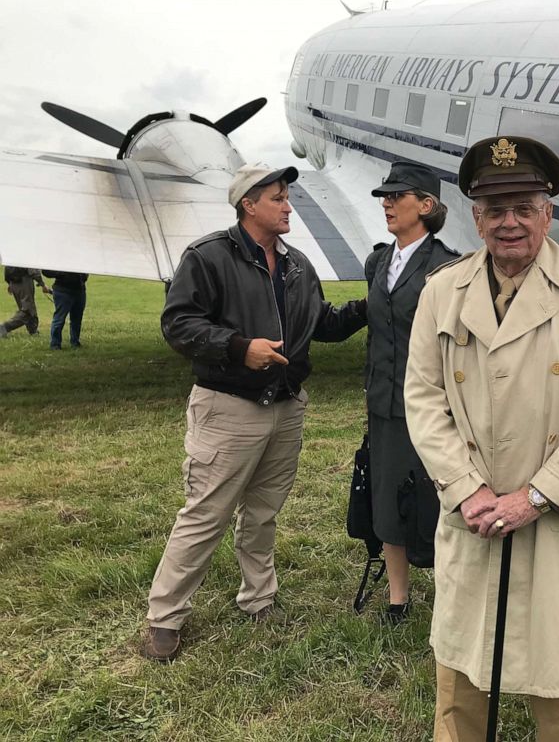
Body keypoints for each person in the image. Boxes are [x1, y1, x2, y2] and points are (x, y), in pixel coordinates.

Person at [405, 137, 559, 741]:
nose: (509, 223)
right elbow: (424, 398)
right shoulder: (442, 291)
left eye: (524, 207)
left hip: (557, 516)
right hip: (474, 513)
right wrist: (467, 489)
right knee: (461, 670)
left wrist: (535, 496)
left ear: (548, 214)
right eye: (495, 209)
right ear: (475, 218)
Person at [140, 163, 367, 662]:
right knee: (206, 514)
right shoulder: (208, 256)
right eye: (278, 198)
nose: (289, 206)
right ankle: (165, 616)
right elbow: (178, 324)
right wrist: (240, 347)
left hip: (286, 407)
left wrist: (373, 305)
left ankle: (258, 598)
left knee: (264, 512)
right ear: (248, 204)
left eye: (287, 198)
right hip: (228, 408)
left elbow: (321, 323)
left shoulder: (299, 265)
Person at [364, 162, 459, 624]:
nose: (386, 202)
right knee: (387, 503)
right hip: (383, 404)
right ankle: (398, 599)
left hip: (432, 408)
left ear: (426, 205)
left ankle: (454, 598)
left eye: (396, 195)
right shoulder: (378, 261)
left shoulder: (447, 267)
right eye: (384, 195)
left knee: (435, 502)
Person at [1, 266, 50, 338]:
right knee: (27, 311)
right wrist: (42, 284)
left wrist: (9, 283)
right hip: (24, 281)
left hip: (13, 281)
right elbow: (32, 269)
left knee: (26, 308)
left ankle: (33, 331)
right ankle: (5, 327)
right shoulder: (28, 254)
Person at [43, 270, 88, 349]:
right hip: (63, 291)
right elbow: (45, 271)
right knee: (59, 319)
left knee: (77, 320)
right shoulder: (60, 259)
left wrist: (84, 276)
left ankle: (75, 342)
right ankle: (55, 344)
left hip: (80, 291)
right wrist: (62, 274)